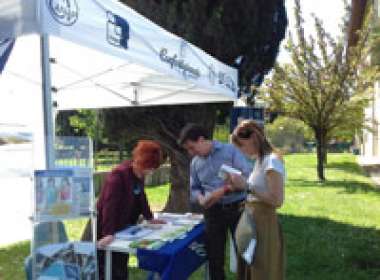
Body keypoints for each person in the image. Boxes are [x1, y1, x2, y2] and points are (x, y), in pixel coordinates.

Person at [178, 123, 251, 280]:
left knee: (244, 253)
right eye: (188, 150)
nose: (191, 153)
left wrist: (224, 190)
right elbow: (195, 188)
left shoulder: (230, 151)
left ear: (201, 140)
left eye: (192, 147)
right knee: (214, 257)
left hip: (237, 209)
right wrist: (200, 198)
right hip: (212, 212)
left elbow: (246, 179)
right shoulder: (195, 163)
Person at [96, 140, 164, 280]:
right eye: (149, 167)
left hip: (123, 228)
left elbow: (141, 197)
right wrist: (108, 233)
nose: (151, 172)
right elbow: (109, 207)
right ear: (140, 161)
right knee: (107, 268)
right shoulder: (118, 176)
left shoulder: (139, 175)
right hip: (105, 227)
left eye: (153, 168)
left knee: (121, 266)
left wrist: (149, 217)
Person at [229, 120, 285, 280]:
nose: (241, 150)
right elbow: (257, 190)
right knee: (251, 268)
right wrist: (239, 186)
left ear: (254, 137)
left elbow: (277, 200)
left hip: (264, 223)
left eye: (242, 145)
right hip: (253, 220)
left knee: (263, 270)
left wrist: (247, 186)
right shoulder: (260, 160)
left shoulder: (271, 161)